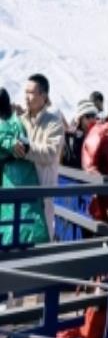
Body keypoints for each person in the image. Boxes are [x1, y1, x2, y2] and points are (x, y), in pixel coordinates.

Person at [16, 74, 64, 240]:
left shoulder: (54, 123)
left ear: (43, 96)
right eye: (25, 92)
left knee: (42, 237)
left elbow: (50, 153)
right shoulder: (19, 121)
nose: (26, 97)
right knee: (20, 237)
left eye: (31, 93)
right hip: (20, 191)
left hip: (43, 191)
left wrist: (26, 149)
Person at [0, 88, 49, 246]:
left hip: (13, 178)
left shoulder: (7, 123)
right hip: (24, 175)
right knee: (27, 215)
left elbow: (7, 140)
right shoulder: (18, 121)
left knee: (16, 218)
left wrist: (11, 144)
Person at [61, 100, 98, 169]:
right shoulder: (70, 136)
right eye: (88, 116)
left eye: (93, 116)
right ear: (80, 119)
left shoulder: (97, 137)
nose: (92, 119)